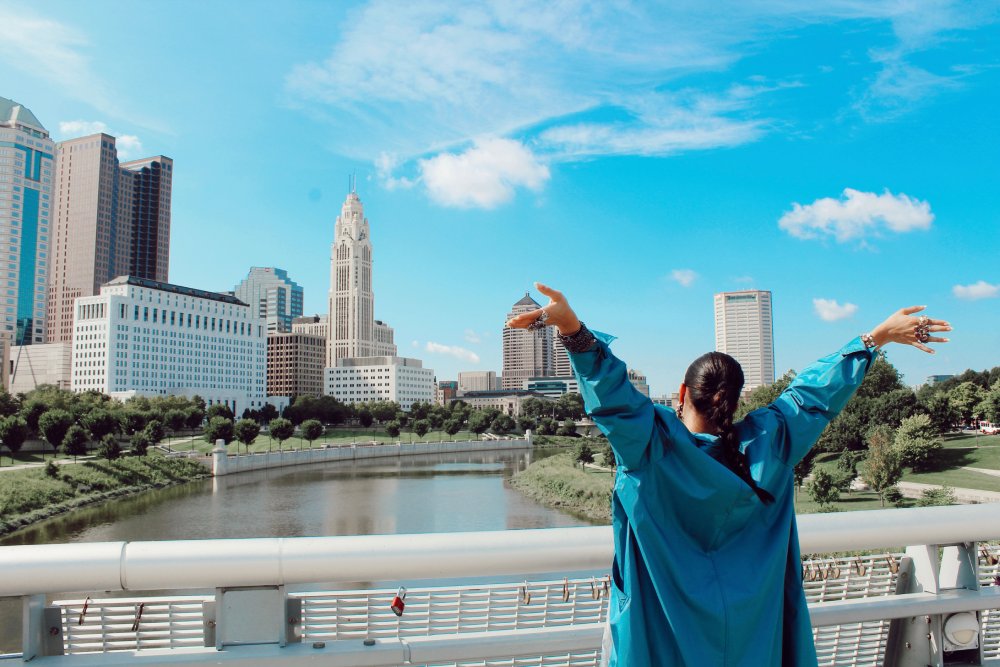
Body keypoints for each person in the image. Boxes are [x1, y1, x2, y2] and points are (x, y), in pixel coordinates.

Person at [506, 283, 952, 667]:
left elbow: (614, 397)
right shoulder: (770, 444)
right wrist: (875, 338)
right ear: (735, 400)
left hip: (662, 642)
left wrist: (573, 330)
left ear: (681, 393)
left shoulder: (649, 446)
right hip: (752, 641)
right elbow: (813, 396)